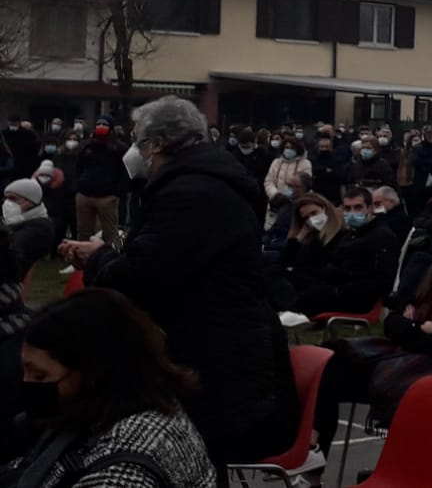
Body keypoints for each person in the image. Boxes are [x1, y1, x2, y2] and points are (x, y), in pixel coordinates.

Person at [59, 97, 294, 467]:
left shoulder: (193, 193)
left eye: (137, 140)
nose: (133, 150)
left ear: (157, 144)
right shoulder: (204, 182)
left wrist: (99, 257)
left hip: (211, 362)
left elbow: (143, 276)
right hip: (209, 348)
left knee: (188, 465)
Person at [314, 205, 432, 457]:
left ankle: (330, 459)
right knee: (326, 366)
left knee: (337, 377)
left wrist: (411, 328)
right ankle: (314, 456)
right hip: (406, 352)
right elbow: (392, 321)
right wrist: (417, 327)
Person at [2, 290, 216, 488]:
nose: (27, 383)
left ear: (92, 373)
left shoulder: (123, 470)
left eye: (40, 376)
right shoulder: (102, 415)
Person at [281, 187, 400, 317]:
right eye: (348, 208)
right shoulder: (352, 235)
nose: (352, 212)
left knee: (306, 295)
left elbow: (380, 281)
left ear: (370, 208)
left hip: (356, 297)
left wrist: (337, 288)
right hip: (336, 287)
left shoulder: (382, 236)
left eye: (358, 207)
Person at [4, 180, 55, 268]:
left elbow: (12, 249)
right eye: (6, 198)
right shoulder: (18, 221)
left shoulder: (40, 228)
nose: (7, 202)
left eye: (12, 198)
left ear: (30, 201)